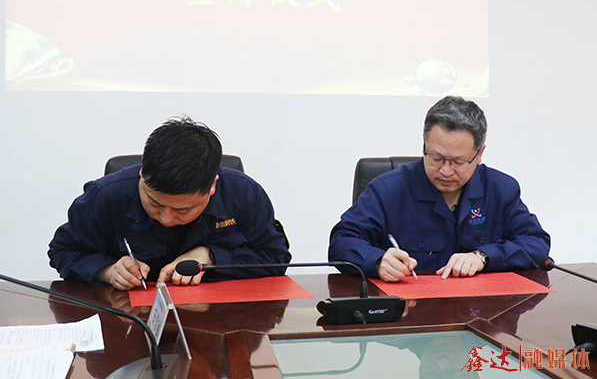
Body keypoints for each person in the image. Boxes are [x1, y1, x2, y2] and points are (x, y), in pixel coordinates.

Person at [48, 117, 291, 290]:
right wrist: (108, 270)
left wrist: (212, 256)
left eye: (182, 209)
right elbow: (63, 252)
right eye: (154, 203)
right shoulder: (106, 197)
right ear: (142, 174)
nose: (166, 218)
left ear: (212, 187)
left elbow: (276, 257)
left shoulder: (243, 194)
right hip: (131, 323)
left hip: (220, 320)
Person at [329, 96, 550, 281]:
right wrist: (377, 261)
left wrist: (482, 256)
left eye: (458, 161)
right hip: (413, 311)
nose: (445, 170)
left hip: (481, 310)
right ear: (424, 145)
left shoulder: (500, 189)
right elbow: (342, 241)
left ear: (479, 154)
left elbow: (536, 243)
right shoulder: (388, 190)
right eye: (436, 157)